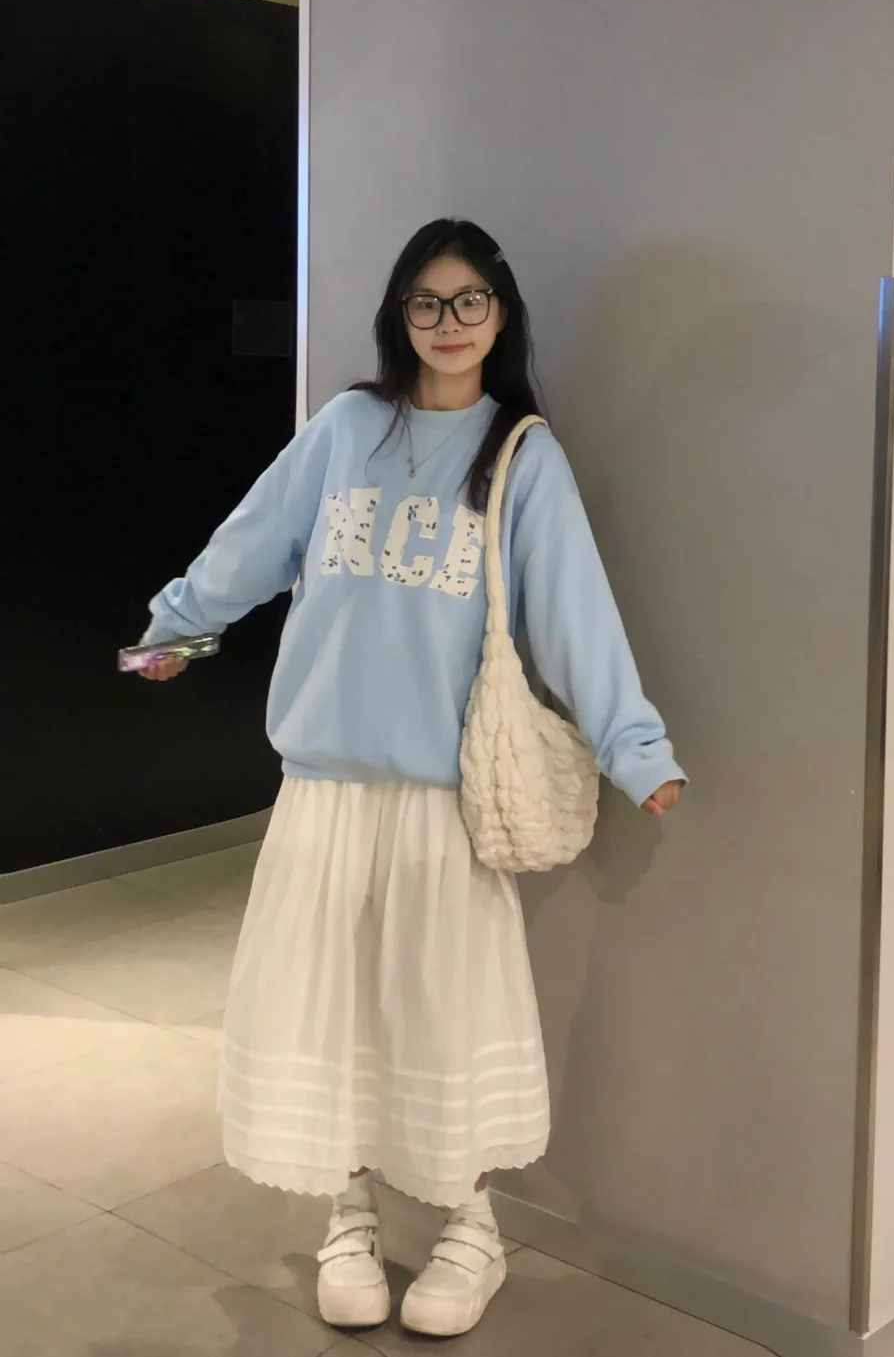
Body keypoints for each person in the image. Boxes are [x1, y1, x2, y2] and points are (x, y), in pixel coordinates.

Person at [138, 218, 684, 1338]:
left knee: (446, 1015)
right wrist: (177, 628)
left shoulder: (520, 455)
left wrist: (636, 748)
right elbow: (251, 543)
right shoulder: (347, 428)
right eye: (426, 302)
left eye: (469, 300)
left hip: (445, 799)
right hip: (324, 786)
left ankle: (471, 1230)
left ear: (501, 314)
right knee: (334, 1010)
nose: (447, 322)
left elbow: (575, 617)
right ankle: (350, 1216)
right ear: (400, 314)